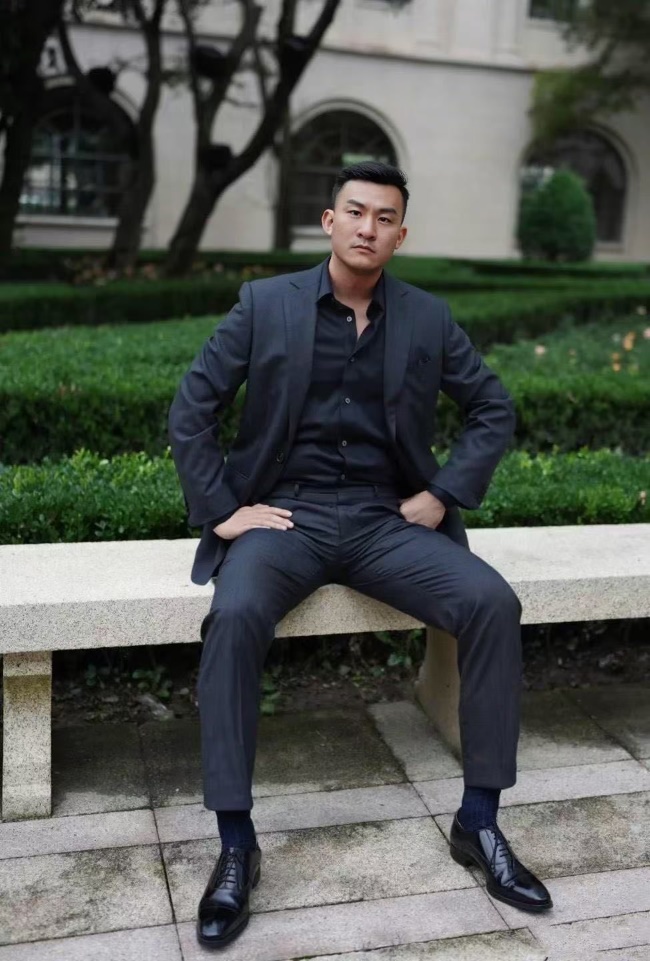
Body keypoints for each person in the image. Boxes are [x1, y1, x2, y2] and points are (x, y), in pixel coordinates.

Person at [168, 161, 552, 950]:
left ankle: (479, 822)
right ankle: (236, 843)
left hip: (387, 519)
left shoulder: (427, 317)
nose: (367, 227)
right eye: (355, 211)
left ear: (400, 234)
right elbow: (192, 406)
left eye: (384, 217)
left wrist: (442, 492)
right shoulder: (265, 304)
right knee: (234, 616)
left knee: (491, 602)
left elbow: (492, 405)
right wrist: (224, 510)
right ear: (330, 220)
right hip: (286, 516)